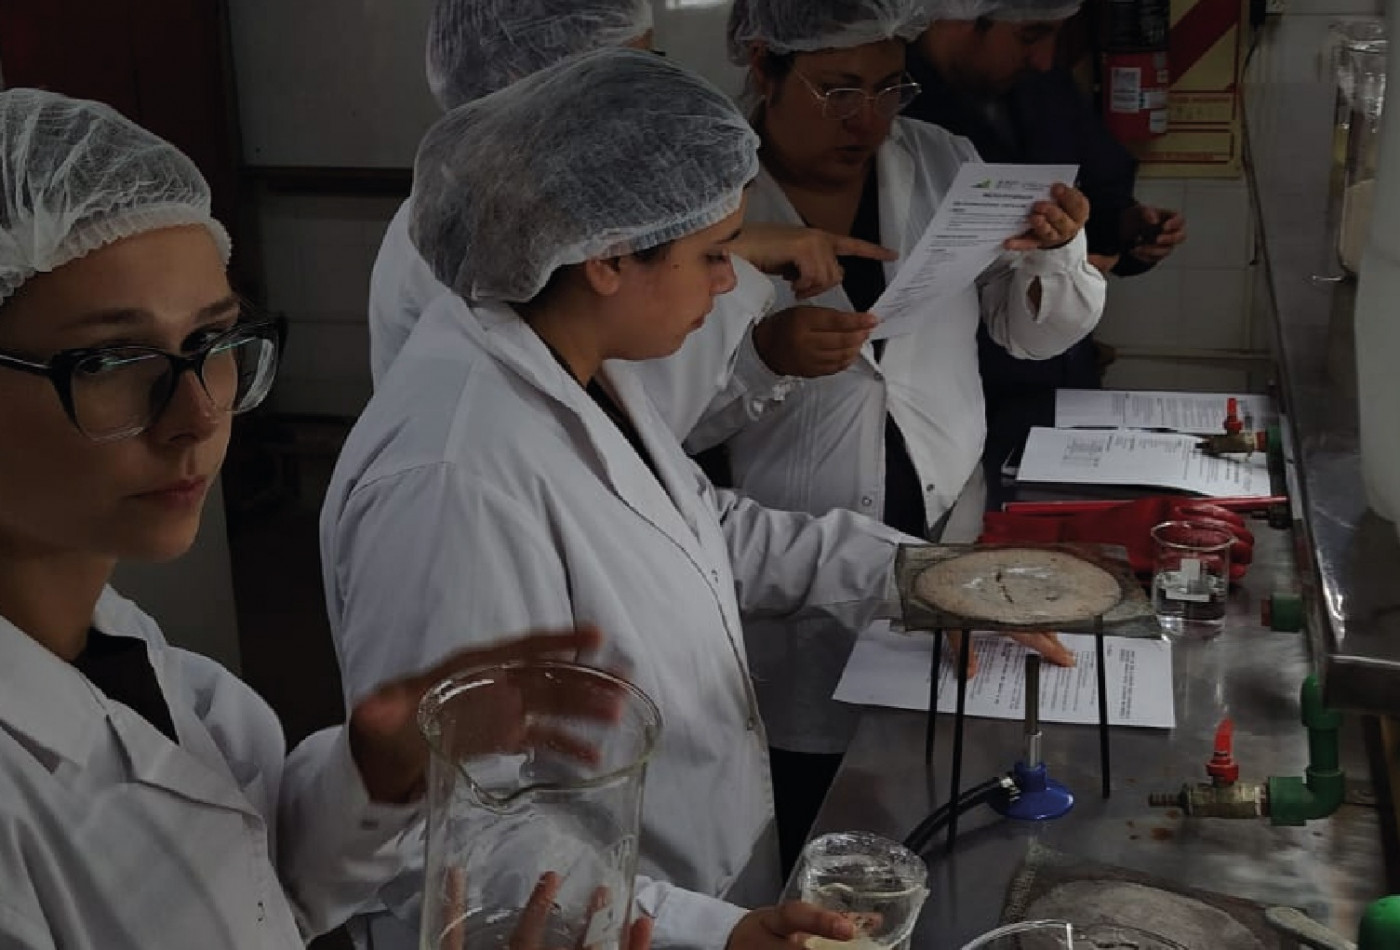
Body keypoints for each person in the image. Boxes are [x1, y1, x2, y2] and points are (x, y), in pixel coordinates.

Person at [0, 87, 634, 950]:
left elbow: (252, 896)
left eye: (215, 343)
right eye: (112, 361)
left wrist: (374, 772)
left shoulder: (142, 663)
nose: (197, 415)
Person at [322, 48, 914, 950]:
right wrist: (709, 932)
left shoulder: (577, 367)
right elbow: (453, 826)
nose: (729, 282)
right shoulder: (451, 478)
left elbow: (701, 529)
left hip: (683, 888)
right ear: (604, 259)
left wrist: (924, 576)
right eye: (713, 254)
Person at [699, 0, 1106, 871]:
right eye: (840, 89)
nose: (870, 120)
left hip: (951, 540)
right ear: (764, 65)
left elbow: (1028, 333)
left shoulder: (942, 160)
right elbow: (655, 415)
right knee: (814, 829)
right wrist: (765, 359)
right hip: (787, 585)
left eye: (890, 87)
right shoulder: (701, 196)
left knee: (947, 806)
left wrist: (1055, 254)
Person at [369, 0, 893, 443]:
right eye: (617, 77)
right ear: (525, 86)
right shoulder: (475, 252)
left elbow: (643, 451)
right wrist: (761, 348)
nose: (640, 106)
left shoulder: (528, 225)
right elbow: (642, 421)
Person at [904, 0, 1188, 501]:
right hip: (959, 391)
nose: (1043, 58)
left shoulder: (1042, 87)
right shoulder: (898, 110)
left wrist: (1127, 231)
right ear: (965, 17)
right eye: (1031, 35)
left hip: (1060, 380)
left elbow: (1097, 189)